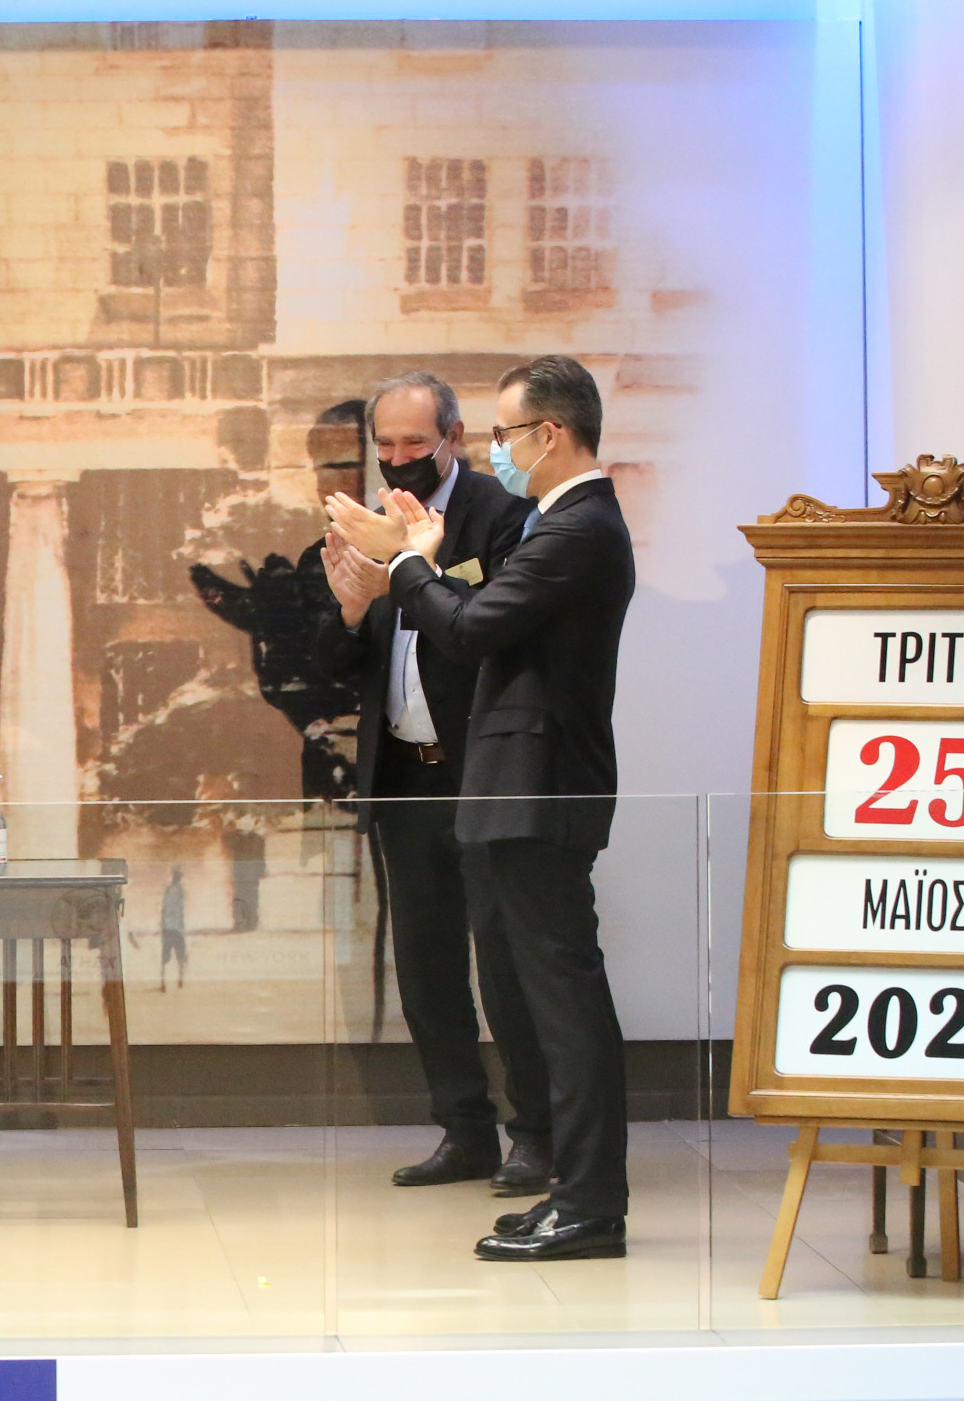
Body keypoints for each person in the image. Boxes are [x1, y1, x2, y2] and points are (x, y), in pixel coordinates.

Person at [325, 355, 634, 1263]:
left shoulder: (576, 525)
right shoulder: (560, 520)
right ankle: (577, 1195)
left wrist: (406, 562)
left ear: (552, 432)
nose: (498, 449)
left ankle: (587, 1198)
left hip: (538, 785)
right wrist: (398, 572)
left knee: (557, 999)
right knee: (544, 991)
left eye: (506, 433)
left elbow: (469, 627)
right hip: (508, 786)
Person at [314, 371, 549, 1197]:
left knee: (506, 964)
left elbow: (491, 631)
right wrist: (351, 609)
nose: (398, 457)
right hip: (403, 779)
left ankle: (537, 1134)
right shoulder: (367, 519)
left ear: (453, 437)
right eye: (384, 443)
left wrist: (416, 562)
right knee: (427, 965)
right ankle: (463, 1129)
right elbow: (337, 661)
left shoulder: (503, 514)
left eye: (414, 441)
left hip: (482, 774)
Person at [157, 867, 189, 992]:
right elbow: (181, 911)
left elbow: (163, 909)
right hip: (176, 929)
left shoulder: (168, 889)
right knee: (180, 955)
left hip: (168, 928)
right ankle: (180, 979)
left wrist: (162, 925)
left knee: (165, 957)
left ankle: (163, 982)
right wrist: (182, 926)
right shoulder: (181, 891)